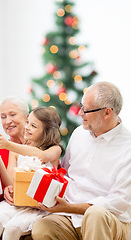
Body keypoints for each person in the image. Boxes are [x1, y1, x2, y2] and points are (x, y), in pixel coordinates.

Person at [30, 82, 131, 240]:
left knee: (95, 214)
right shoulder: (79, 133)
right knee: (43, 227)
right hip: (71, 216)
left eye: (86, 109)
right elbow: (64, 172)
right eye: (81, 106)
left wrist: (71, 207)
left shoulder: (128, 147)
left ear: (107, 113)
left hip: (109, 219)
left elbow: (117, 202)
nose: (80, 113)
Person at [0, 106, 62, 240]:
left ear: (46, 131)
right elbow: (10, 182)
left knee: (12, 230)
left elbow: (41, 156)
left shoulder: (54, 150)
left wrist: (7, 144)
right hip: (17, 203)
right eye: (27, 122)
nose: (27, 127)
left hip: (38, 207)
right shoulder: (16, 150)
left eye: (33, 126)